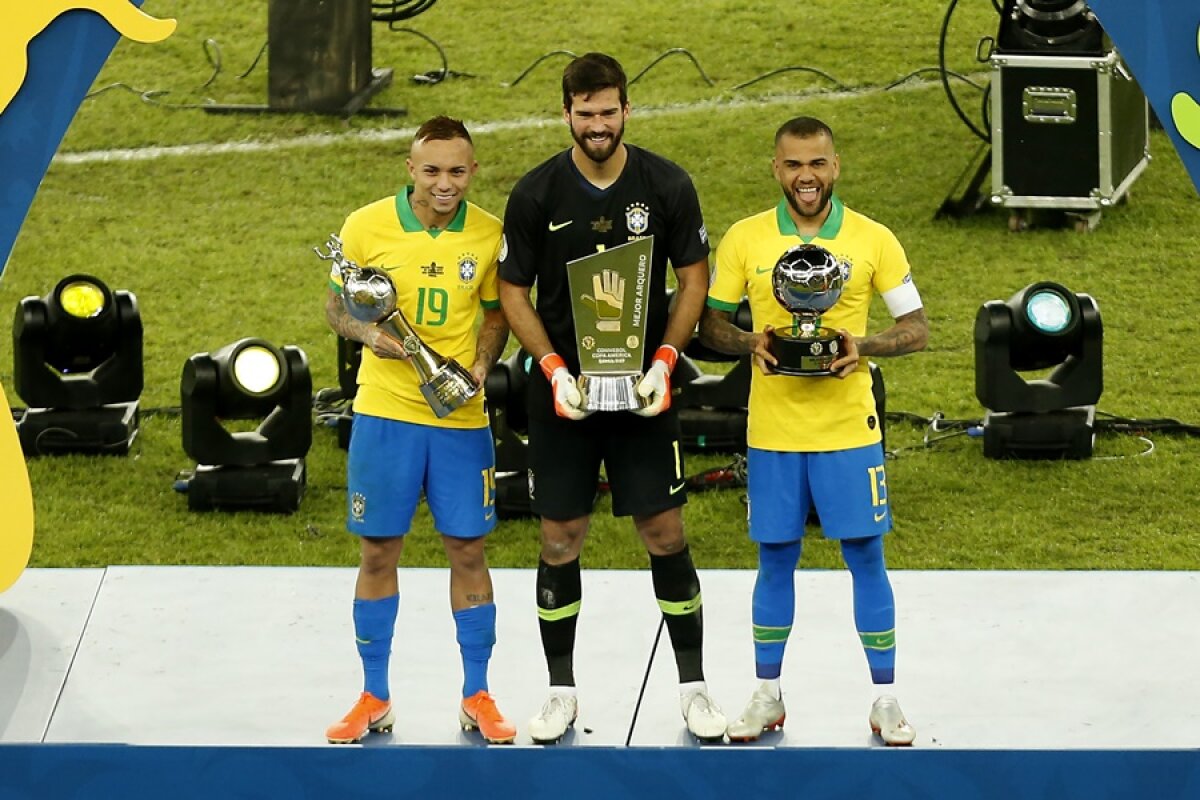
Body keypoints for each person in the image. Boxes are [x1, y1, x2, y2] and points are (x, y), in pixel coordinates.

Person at [497, 52, 726, 743]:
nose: (597, 125)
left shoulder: (665, 184)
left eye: (608, 111)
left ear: (627, 109)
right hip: (563, 397)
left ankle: (694, 690)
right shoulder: (537, 194)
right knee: (560, 539)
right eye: (584, 113)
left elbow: (693, 280)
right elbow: (513, 289)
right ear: (566, 113)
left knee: (665, 532)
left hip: (644, 394)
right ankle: (560, 692)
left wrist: (665, 359)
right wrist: (550, 367)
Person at [698, 116, 928, 746]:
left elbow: (917, 329)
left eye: (818, 163)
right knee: (774, 558)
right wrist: (753, 340)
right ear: (776, 168)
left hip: (849, 430)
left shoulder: (873, 238)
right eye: (794, 164)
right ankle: (767, 695)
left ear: (836, 166)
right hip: (772, 431)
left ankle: (885, 699)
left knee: (865, 556)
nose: (807, 176)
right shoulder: (745, 239)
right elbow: (709, 327)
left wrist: (865, 343)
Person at [323, 116, 515, 745]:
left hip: (459, 420)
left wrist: (483, 365)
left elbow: (496, 316)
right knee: (378, 550)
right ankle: (374, 695)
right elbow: (336, 307)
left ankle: (477, 693)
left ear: (473, 171)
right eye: (431, 170)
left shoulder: (489, 234)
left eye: (456, 171)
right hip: (384, 415)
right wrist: (369, 334)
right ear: (410, 169)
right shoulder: (365, 225)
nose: (444, 184)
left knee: (468, 549)